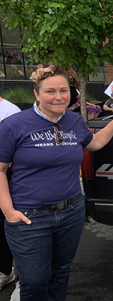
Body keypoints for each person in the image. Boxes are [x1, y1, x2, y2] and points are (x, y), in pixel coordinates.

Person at [0, 63, 113, 301]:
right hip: (30, 216)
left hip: (70, 212)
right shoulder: (13, 125)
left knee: (60, 274)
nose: (58, 97)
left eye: (64, 90)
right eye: (50, 91)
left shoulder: (72, 121)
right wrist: (8, 210)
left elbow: (95, 143)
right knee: (34, 281)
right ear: (36, 94)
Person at [0, 96, 20, 293]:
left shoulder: (10, 112)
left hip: (7, 176)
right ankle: (5, 271)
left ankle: (20, 277)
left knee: (13, 229)